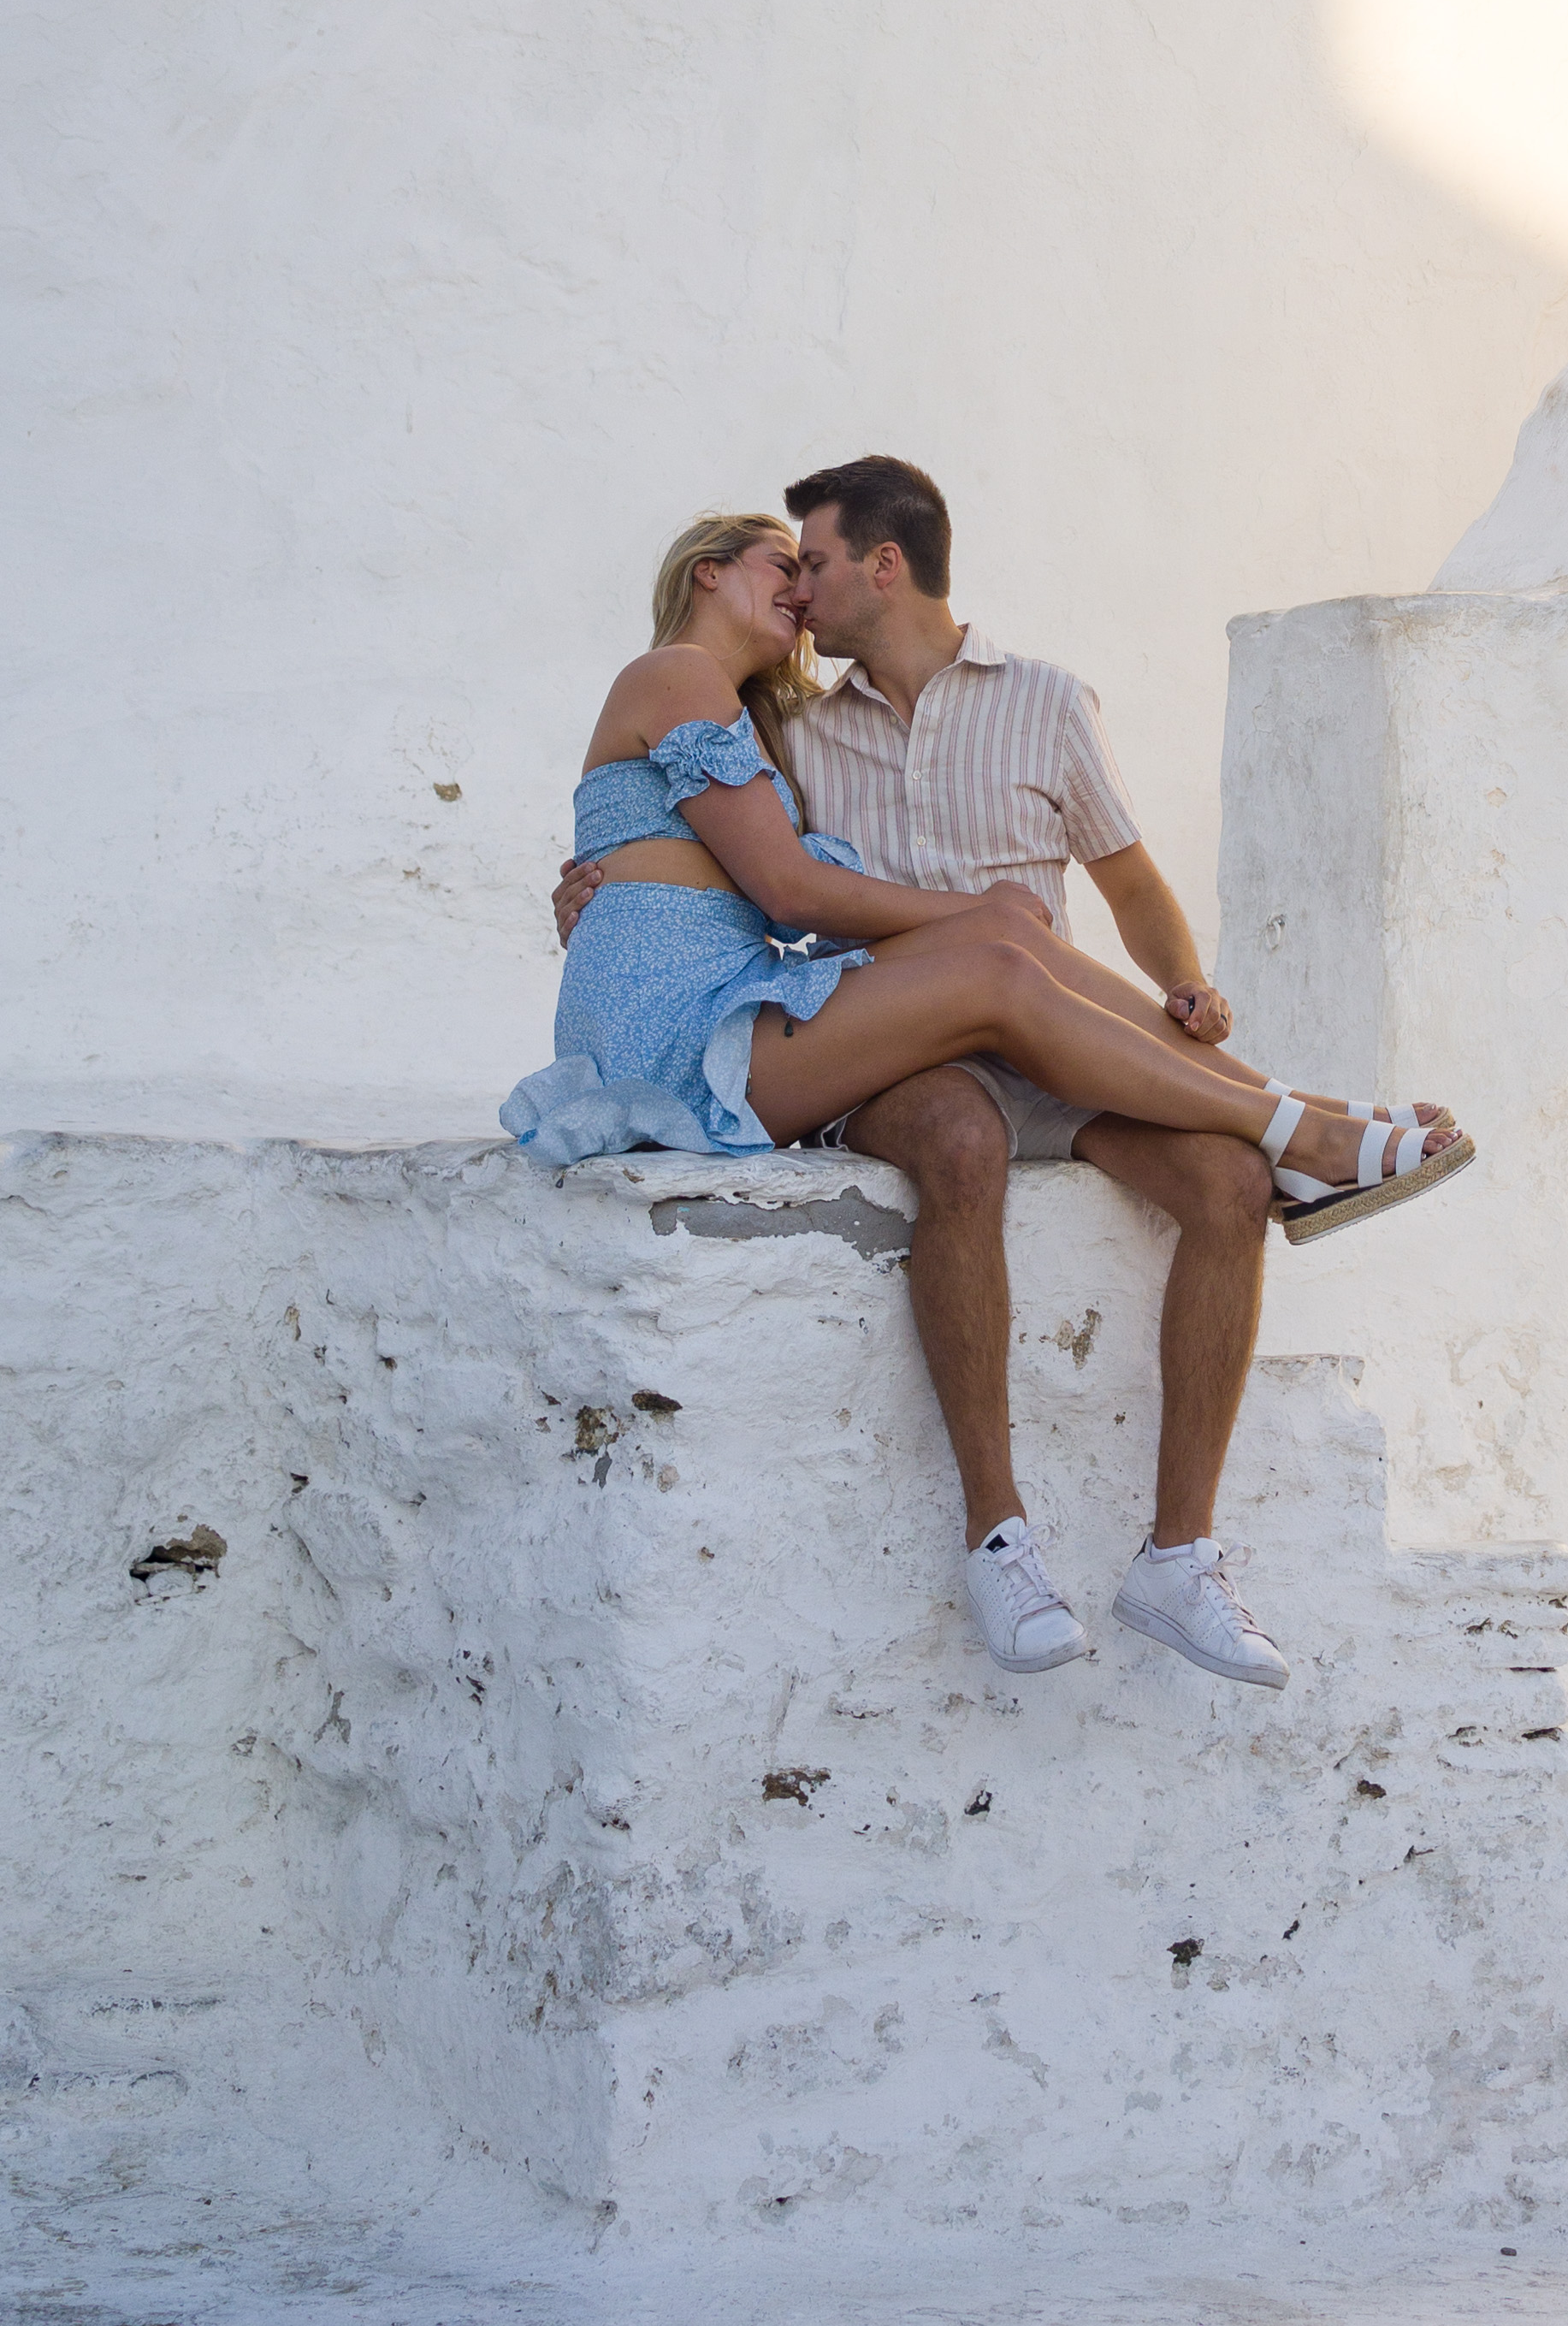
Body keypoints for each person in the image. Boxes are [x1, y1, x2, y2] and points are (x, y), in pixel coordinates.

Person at [513, 488, 1470, 1691]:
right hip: (744, 1037)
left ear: (888, 563)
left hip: (845, 1019)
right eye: (777, 566)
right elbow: (786, 890)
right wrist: (972, 910)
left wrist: (1182, 981)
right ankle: (1304, 1130)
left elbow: (717, 876)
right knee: (999, 971)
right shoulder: (691, 684)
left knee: (1154, 1108)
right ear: (708, 572)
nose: (798, 595)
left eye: (810, 569)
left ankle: (1186, 1541)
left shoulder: (802, 718)